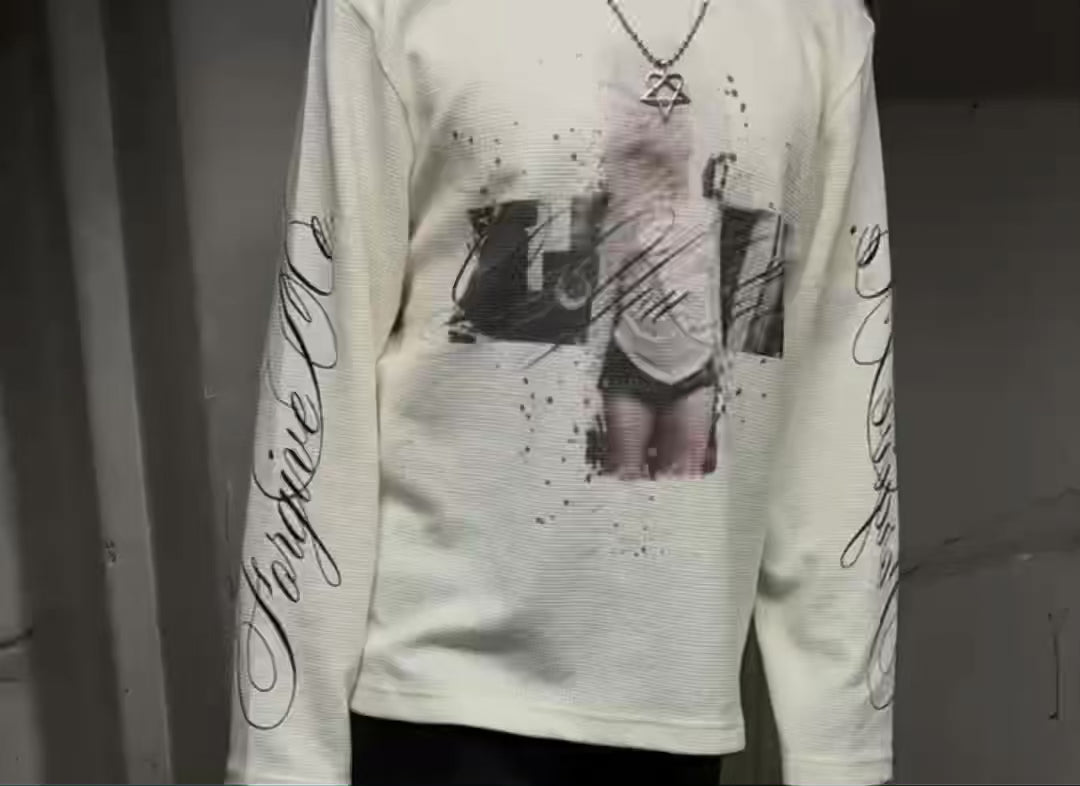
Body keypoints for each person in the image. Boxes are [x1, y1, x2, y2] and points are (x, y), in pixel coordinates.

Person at [228, 1, 897, 784]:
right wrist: (284, 756)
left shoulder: (821, 26)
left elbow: (832, 414)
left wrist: (841, 752)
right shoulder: (387, 11)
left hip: (678, 718)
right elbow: (322, 371)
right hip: (433, 706)